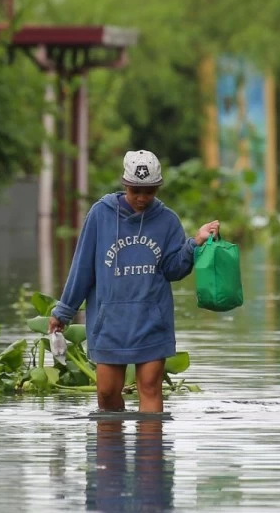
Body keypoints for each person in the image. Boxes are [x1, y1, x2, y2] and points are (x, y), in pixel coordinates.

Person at [49, 150, 219, 414]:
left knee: (150, 387)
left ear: (158, 188)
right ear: (124, 184)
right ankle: (111, 454)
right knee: (106, 394)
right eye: (135, 190)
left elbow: (173, 270)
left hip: (151, 319)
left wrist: (194, 243)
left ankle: (151, 453)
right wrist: (64, 311)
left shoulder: (167, 221)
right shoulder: (100, 216)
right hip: (110, 321)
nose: (142, 198)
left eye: (149, 191)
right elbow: (82, 267)